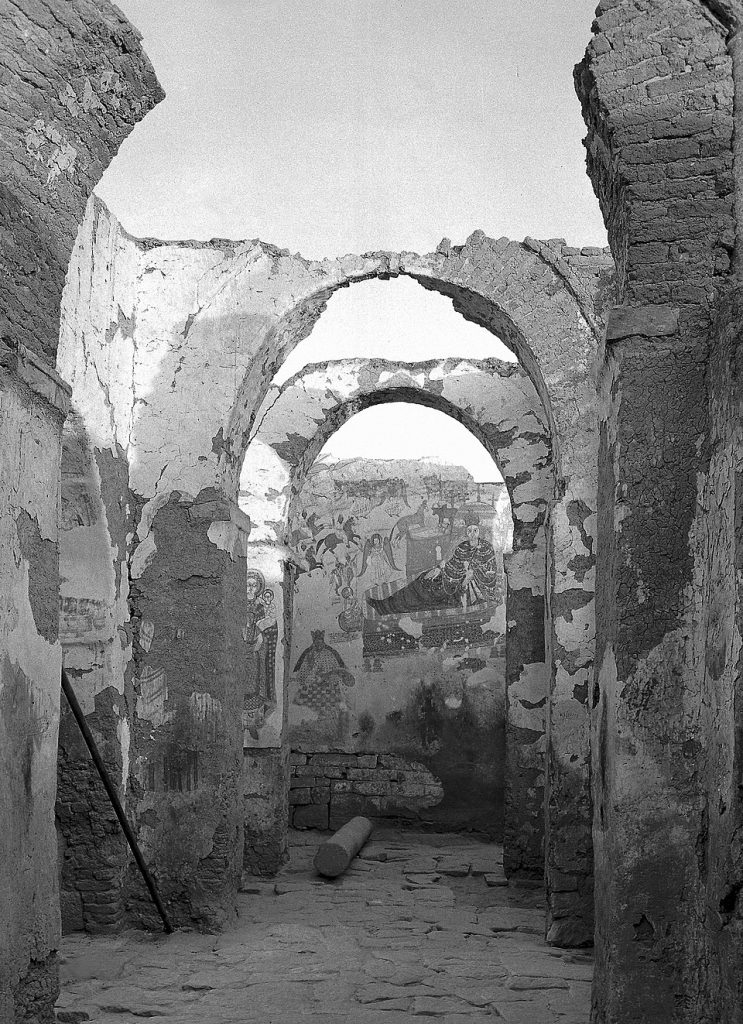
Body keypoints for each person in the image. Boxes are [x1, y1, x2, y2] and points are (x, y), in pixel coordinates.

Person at [366, 512, 499, 616]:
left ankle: (388, 607)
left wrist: (470, 577)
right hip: (450, 577)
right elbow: (452, 562)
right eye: (469, 530)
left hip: (459, 588)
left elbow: (490, 574)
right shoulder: (462, 546)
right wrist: (439, 568)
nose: (472, 534)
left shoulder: (486, 548)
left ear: (479, 530)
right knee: (423, 579)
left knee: (428, 594)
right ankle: (385, 605)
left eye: (475, 530)